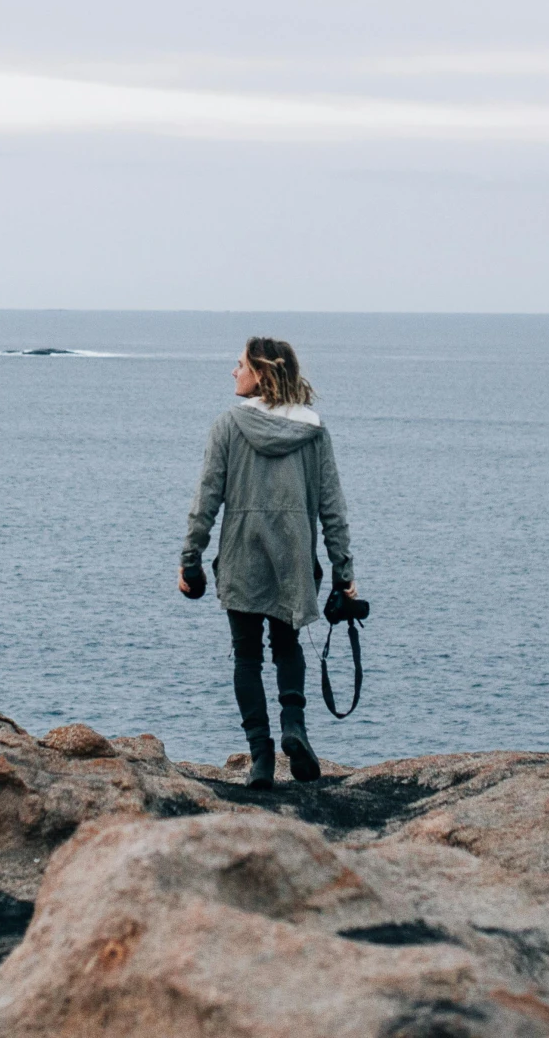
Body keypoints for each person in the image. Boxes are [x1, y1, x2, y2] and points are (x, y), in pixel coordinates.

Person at [179, 336, 357, 788]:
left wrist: (191, 558)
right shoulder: (314, 431)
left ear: (259, 373)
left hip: (241, 554)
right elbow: (332, 508)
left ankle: (261, 758)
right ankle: (293, 727)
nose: (233, 372)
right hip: (294, 558)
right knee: (287, 647)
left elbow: (207, 499)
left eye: (238, 364)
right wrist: (344, 573)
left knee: (246, 656)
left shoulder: (228, 426)